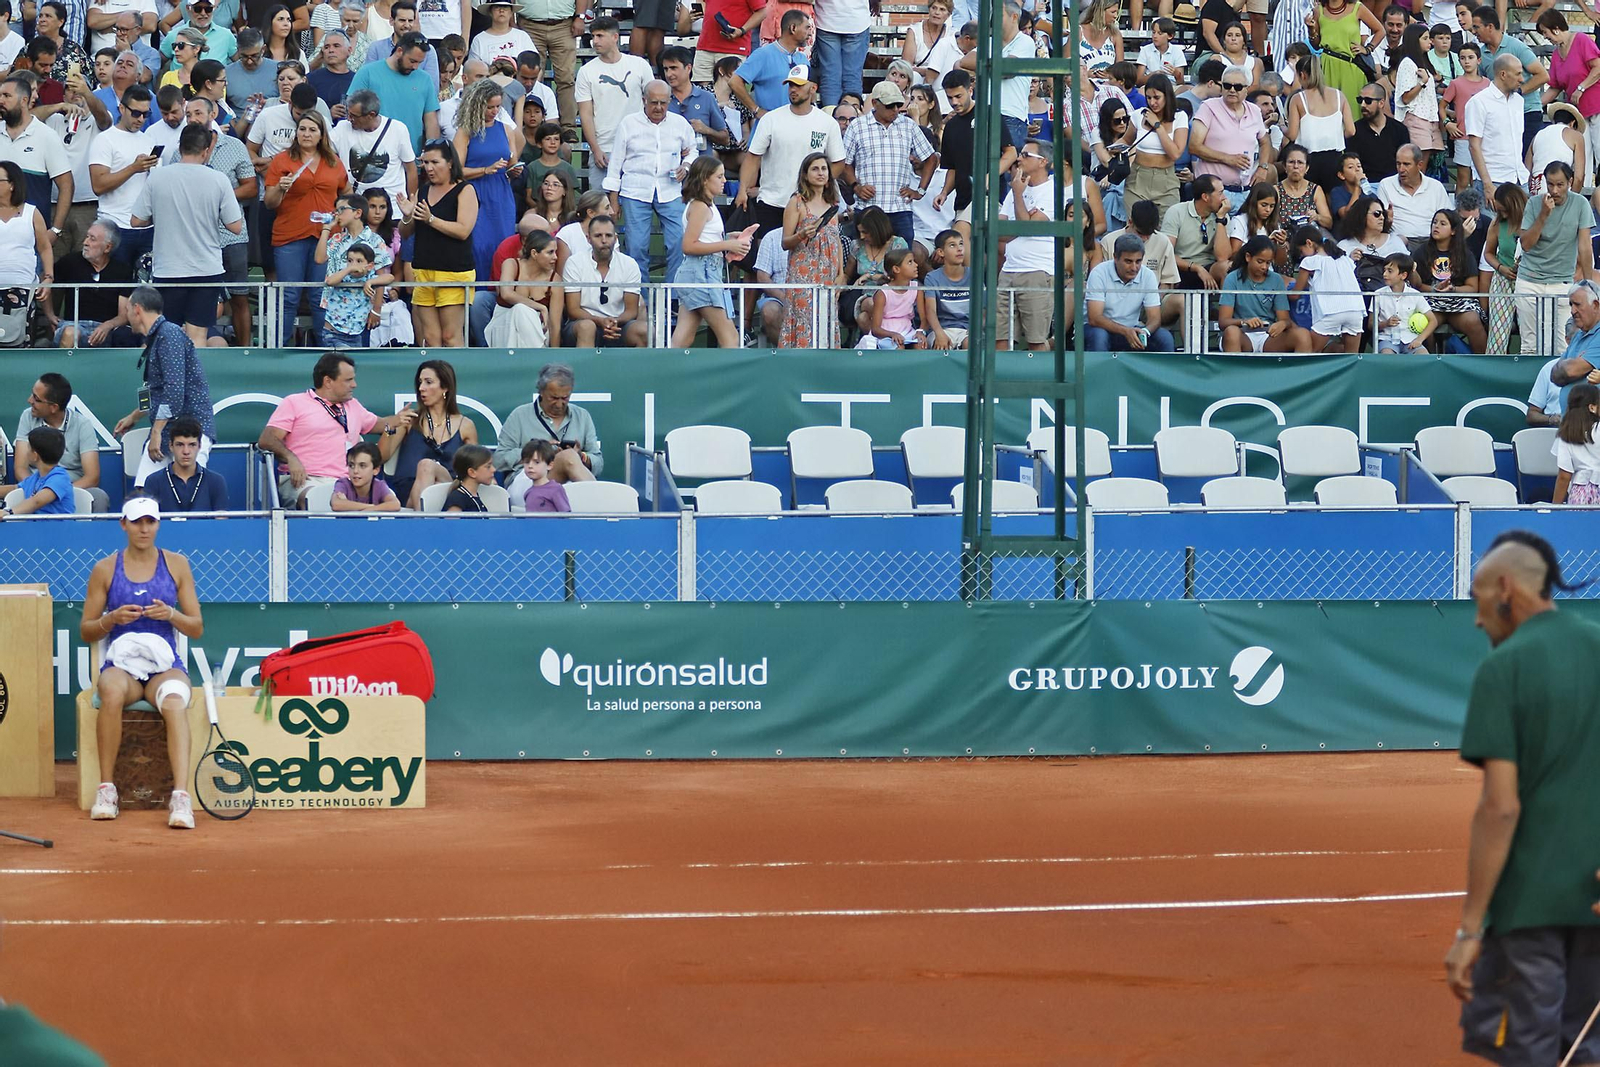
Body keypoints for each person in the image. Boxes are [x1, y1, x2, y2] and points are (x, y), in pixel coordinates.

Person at [1446, 530, 1600, 1063]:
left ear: (1506, 588)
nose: (1476, 619)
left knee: (1527, 1052)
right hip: (1594, 904)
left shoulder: (1503, 667)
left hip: (1527, 907)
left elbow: (1501, 807)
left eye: (1478, 598)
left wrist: (1470, 930)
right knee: (1584, 1050)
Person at [81, 495, 204, 829]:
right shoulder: (105, 569)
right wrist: (112, 619)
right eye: (137, 522)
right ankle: (107, 790)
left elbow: (196, 627)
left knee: (175, 700)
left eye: (150, 521)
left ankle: (181, 797)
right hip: (123, 670)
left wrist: (171, 614)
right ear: (124, 525)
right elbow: (87, 630)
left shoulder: (177, 564)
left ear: (158, 524)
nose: (144, 529)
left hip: (164, 667)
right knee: (110, 690)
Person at [129, 123, 244, 346]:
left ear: (180, 147)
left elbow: (136, 220)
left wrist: (161, 215)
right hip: (206, 269)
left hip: (169, 270)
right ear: (206, 150)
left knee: (166, 335)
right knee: (198, 336)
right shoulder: (218, 179)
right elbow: (235, 226)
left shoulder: (158, 177)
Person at [258, 350, 415, 508]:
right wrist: (291, 458)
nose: (354, 385)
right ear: (328, 381)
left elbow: (379, 424)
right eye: (348, 380)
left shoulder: (353, 405)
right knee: (316, 499)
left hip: (348, 482)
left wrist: (396, 420)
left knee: (388, 501)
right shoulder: (294, 402)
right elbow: (267, 439)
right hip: (307, 480)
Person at [113, 286, 217, 487]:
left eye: (127, 310)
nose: (126, 316)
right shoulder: (159, 337)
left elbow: (174, 391)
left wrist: (156, 432)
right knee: (143, 492)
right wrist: (134, 416)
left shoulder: (169, 334)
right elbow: (156, 391)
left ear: (137, 309)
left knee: (188, 492)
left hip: (190, 431)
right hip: (168, 428)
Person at [736, 66, 844, 259]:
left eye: (799, 85)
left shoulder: (827, 123)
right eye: (791, 85)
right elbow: (752, 157)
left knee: (807, 258)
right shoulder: (771, 119)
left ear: (813, 88)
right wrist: (742, 189)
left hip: (809, 206)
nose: (793, 89)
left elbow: (838, 162)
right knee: (767, 260)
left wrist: (818, 190)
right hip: (772, 201)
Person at [263, 108, 346, 344]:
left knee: (321, 295)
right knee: (288, 295)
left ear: (322, 134)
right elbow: (269, 203)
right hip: (290, 235)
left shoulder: (334, 162)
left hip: (326, 237)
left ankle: (327, 350)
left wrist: (341, 216)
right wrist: (280, 188)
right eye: (302, 129)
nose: (306, 134)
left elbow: (346, 193)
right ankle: (278, 349)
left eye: (312, 130)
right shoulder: (282, 160)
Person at [604, 78, 692, 279]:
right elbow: (615, 164)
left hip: (670, 190)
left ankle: (673, 295)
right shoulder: (628, 124)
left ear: (670, 101)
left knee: (679, 243)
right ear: (644, 100)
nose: (659, 107)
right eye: (654, 102)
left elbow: (692, 150)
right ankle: (638, 296)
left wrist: (686, 166)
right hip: (635, 191)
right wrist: (613, 200)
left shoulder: (680, 123)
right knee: (636, 248)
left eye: (663, 102)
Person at [400, 139, 477, 346]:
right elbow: (406, 233)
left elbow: (463, 230)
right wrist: (407, 216)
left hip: (453, 272)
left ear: (450, 162)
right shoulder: (424, 190)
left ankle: (456, 368)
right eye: (425, 162)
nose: (429, 168)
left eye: (435, 162)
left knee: (450, 336)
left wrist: (431, 219)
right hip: (424, 270)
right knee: (431, 337)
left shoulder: (465, 190)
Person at [671, 155, 749, 348]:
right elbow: (689, 246)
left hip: (698, 273)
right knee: (730, 337)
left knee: (682, 338)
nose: (724, 180)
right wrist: (726, 245)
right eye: (719, 176)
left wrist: (727, 239)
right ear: (705, 179)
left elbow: (704, 238)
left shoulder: (704, 205)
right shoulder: (700, 206)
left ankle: (665, 367)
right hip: (701, 273)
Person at [1518, 161, 1594, 356]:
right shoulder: (1534, 203)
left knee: (1562, 345)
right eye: (1550, 184)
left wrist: (1589, 286)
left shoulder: (1580, 204)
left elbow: (1585, 247)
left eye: (1560, 184)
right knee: (1529, 346)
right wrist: (1543, 215)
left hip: (1562, 282)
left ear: (1570, 182)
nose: (1554, 190)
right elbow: (1526, 244)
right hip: (1529, 280)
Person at [452, 77, 522, 280]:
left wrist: (514, 170)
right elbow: (456, 171)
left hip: (501, 194)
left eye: (498, 106)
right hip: (474, 194)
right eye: (490, 107)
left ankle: (500, 290)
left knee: (503, 244)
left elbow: (511, 162)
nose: (494, 111)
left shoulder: (506, 129)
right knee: (479, 246)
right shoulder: (465, 132)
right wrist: (485, 170)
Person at [3, 373, 107, 510]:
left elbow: (92, 477)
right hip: (34, 489)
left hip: (72, 489)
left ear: (54, 407)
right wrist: (36, 491)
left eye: (36, 399)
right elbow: (20, 468)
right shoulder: (27, 416)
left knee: (99, 497)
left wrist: (56, 492)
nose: (29, 400)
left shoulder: (82, 424)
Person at [573, 16, 652, 193]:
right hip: (604, 147)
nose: (595, 41)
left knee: (636, 202)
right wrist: (595, 149)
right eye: (593, 36)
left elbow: (653, 104)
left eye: (600, 36)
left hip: (638, 146)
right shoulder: (586, 71)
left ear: (615, 37)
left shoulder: (639, 65)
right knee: (600, 204)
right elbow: (585, 114)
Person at [997, 139, 1059, 352]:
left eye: (1025, 155)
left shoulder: (1053, 192)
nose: (1019, 158)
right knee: (1000, 339)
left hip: (1037, 271)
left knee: (1036, 340)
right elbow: (1000, 233)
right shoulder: (1016, 187)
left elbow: (1030, 228)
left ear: (1043, 162)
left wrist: (1018, 197)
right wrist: (1024, 222)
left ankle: (1041, 376)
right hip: (1008, 270)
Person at [87, 84, 156, 268]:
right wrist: (133, 168)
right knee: (116, 282)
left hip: (147, 227)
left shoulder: (149, 140)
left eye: (146, 114)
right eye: (136, 113)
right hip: (115, 225)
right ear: (122, 108)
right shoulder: (104, 140)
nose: (140, 119)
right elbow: (98, 185)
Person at [493, 362, 599, 481]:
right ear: (541, 392)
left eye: (565, 398)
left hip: (569, 481)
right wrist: (537, 453)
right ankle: (596, 493)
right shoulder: (519, 415)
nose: (559, 404)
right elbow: (499, 460)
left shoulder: (582, 416)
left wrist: (581, 457)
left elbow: (598, 462)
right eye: (554, 398)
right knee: (568, 456)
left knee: (569, 457)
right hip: (527, 479)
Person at [781, 148, 843, 349]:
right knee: (804, 318)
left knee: (826, 319)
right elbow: (785, 242)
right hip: (804, 272)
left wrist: (841, 273)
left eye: (824, 169)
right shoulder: (797, 202)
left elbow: (836, 240)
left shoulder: (832, 204)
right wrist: (801, 235)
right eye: (815, 169)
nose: (821, 173)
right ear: (805, 175)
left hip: (828, 272)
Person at [0, 75, 72, 238]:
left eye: (7, 96)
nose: (1, 100)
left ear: (24, 100)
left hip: (33, 235)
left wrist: (55, 230)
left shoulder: (47, 136)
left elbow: (66, 185)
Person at [1471, 5, 1547, 154]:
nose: (1473, 31)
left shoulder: (1517, 47)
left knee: (1526, 159)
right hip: (1501, 115)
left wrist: (1518, 92)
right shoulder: (1481, 53)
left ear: (1490, 27)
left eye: (1476, 27)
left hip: (1527, 112)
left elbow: (1543, 75)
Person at [50, 218, 135, 349]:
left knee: (126, 336)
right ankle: (64, 364)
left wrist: (107, 325)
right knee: (71, 333)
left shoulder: (122, 270)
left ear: (108, 247)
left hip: (106, 329)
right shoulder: (70, 262)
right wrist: (49, 314)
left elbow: (124, 315)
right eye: (87, 237)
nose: (85, 242)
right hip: (74, 325)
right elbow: (46, 281)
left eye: (92, 239)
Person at [348, 30, 439, 152]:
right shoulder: (367, 73)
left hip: (411, 155)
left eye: (419, 62)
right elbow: (351, 110)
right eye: (412, 61)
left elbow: (431, 121)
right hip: (372, 154)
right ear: (400, 51)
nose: (415, 67)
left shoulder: (425, 79)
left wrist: (433, 152)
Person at [1083, 232, 1173, 353]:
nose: (1134, 268)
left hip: (1131, 329)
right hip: (1097, 329)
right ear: (1115, 258)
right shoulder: (1099, 273)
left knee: (1164, 337)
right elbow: (1094, 318)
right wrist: (1126, 331)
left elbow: (1155, 318)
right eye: (1128, 261)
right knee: (1099, 336)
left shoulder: (1148, 275)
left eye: (1138, 261)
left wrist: (1145, 332)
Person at [1220, 234, 1311, 352]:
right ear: (1248, 257)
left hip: (1268, 335)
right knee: (1231, 332)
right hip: (1242, 334)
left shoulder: (1276, 279)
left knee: (1303, 335)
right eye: (1260, 261)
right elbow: (1223, 321)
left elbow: (1285, 319)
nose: (1264, 267)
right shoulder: (1232, 278)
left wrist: (1282, 324)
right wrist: (1244, 321)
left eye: (1268, 263)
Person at [1412, 208, 1487, 350]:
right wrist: (1434, 290)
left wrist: (1453, 289)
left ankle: (1483, 361)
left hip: (1459, 301)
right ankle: (1429, 359)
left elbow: (1472, 287)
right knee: (1422, 321)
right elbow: (1416, 286)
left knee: (1473, 321)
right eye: (1434, 222)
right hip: (1431, 301)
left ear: (1453, 231)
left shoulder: (1465, 253)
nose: (1436, 226)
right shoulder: (1421, 252)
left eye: (1442, 224)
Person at [332, 89, 417, 205]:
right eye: (348, 113)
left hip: (392, 206)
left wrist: (411, 202)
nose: (349, 119)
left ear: (371, 115)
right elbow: (322, 149)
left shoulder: (397, 129)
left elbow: (411, 169)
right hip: (355, 206)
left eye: (354, 116)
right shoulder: (343, 128)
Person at [1292, 226, 1364, 351]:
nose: (1302, 255)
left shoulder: (1309, 262)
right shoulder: (1345, 259)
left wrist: (1280, 296)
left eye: (1301, 251)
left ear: (1309, 243)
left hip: (1330, 312)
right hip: (1356, 311)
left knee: (1310, 353)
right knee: (1352, 357)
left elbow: (1295, 295)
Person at [1305, 0, 1384, 113]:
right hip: (1327, 66)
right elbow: (1316, 46)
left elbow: (1380, 30)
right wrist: (1311, 30)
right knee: (1328, 111)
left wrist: (1367, 49)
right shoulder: (1319, 10)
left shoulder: (1357, 7)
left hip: (1351, 67)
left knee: (1352, 112)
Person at [485, 227, 559, 347]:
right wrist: (541, 307)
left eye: (555, 252)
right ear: (534, 253)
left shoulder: (554, 279)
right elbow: (506, 294)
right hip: (504, 327)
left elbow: (555, 325)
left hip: (538, 331)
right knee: (521, 309)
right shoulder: (511, 264)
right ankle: (538, 353)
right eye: (550, 252)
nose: (555, 257)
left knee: (523, 311)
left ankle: (536, 353)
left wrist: (556, 355)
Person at [1466, 52, 1529, 191]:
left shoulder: (1519, 101)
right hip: (1493, 179)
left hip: (1519, 178)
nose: (1522, 79)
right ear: (1503, 74)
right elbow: (1474, 146)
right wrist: (1487, 184)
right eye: (1518, 74)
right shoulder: (1478, 102)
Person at [731, 8, 808, 120]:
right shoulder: (763, 54)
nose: (810, 33)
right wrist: (756, 110)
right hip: (770, 127)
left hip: (796, 125)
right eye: (807, 28)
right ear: (793, 28)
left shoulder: (803, 59)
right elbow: (734, 81)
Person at [143, 415, 227, 512]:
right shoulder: (153, 481)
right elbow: (148, 519)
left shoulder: (216, 481)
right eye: (180, 445)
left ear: (199, 446)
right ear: (171, 446)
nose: (186, 451)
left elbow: (221, 519)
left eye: (192, 445)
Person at [1163, 173, 1232, 289]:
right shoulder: (1176, 212)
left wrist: (1220, 220)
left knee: (1228, 267)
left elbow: (1223, 258)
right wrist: (1196, 268)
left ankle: (1224, 301)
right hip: (1180, 268)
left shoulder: (1222, 215)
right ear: (1205, 197)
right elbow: (1166, 254)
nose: (1224, 198)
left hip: (1209, 268)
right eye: (1220, 193)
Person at [1442, 43, 1490, 192]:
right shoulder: (1456, 83)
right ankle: (1460, 207)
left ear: (1479, 60)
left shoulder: (1487, 84)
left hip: (1484, 137)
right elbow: (1442, 106)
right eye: (1463, 58)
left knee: (1481, 178)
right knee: (1463, 179)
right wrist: (1447, 123)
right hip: (1463, 136)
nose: (1467, 61)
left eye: (1470, 57)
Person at [1378, 144, 1452, 242]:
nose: (1401, 169)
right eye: (1398, 164)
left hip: (1431, 241)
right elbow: (1379, 222)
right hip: (1400, 242)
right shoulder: (1386, 185)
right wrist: (1387, 222)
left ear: (1419, 165)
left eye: (1406, 164)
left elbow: (1448, 217)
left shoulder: (1436, 187)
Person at [1483, 180, 1525, 354]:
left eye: (1505, 210)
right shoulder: (1497, 224)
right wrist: (1500, 268)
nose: (1502, 214)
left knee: (1530, 333)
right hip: (1503, 280)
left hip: (1528, 280)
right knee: (1497, 337)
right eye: (1499, 210)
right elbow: (1488, 253)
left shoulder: (1533, 220)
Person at [1373, 251, 1438, 352]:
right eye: (1384, 270)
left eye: (1390, 271)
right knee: (1387, 355)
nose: (1384, 274)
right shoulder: (1378, 294)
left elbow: (1433, 320)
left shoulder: (1415, 295)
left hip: (1410, 339)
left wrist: (1419, 340)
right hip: (1387, 339)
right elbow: (1371, 324)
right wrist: (1386, 323)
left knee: (1423, 356)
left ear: (1403, 275)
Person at [1348, 83, 1412, 184]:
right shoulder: (1354, 130)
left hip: (1394, 184)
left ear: (1381, 103)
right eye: (1360, 100)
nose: (1363, 105)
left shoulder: (1399, 129)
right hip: (1365, 185)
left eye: (1368, 101)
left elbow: (1406, 161)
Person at [1550, 382, 1600, 502]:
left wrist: (1555, 507)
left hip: (1580, 496)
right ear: (1592, 407)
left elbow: (1564, 476)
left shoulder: (1566, 434)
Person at [331, 441, 399, 510]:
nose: (355, 471)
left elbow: (395, 504)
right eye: (351, 465)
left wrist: (348, 505)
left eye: (362, 466)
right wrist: (373, 507)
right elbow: (336, 504)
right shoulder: (343, 484)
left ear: (376, 470)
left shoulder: (379, 486)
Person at [518, 438, 570, 513]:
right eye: (527, 462)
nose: (530, 466)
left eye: (537, 462)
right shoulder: (528, 493)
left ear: (550, 465)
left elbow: (566, 515)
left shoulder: (556, 490)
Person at [441, 442, 494, 513]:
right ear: (472, 472)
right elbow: (452, 520)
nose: (494, 469)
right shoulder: (457, 499)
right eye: (488, 466)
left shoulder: (473, 496)